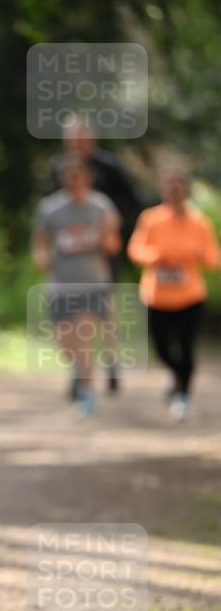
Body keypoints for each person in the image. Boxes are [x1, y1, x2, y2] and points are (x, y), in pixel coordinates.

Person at [52, 116, 144, 393]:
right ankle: (79, 369)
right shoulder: (59, 168)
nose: (78, 141)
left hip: (103, 254)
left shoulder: (109, 167)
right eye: (73, 136)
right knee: (72, 316)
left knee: (104, 312)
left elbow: (133, 202)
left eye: (83, 136)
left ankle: (110, 359)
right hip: (69, 256)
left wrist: (110, 230)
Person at [128, 166, 219, 421]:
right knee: (161, 348)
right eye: (170, 185)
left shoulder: (199, 222)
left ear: (185, 189)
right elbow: (136, 250)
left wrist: (199, 256)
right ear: (163, 189)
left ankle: (182, 397)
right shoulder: (151, 219)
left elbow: (214, 258)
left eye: (179, 185)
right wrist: (157, 257)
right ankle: (176, 375)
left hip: (190, 296)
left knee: (187, 348)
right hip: (157, 296)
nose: (175, 190)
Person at [32, 154, 121, 415]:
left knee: (83, 336)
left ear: (87, 177)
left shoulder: (101, 206)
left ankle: (87, 390)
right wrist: (41, 256)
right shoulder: (50, 208)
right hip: (61, 282)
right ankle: (80, 372)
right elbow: (39, 241)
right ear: (62, 179)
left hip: (93, 281)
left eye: (78, 174)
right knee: (64, 340)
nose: (73, 180)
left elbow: (114, 241)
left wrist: (107, 242)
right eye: (68, 175)